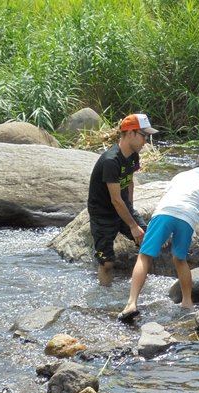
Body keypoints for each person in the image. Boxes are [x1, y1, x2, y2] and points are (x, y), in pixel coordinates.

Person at [117, 153, 199, 321]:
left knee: (145, 256)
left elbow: (164, 199)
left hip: (164, 213)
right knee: (179, 259)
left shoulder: (180, 176)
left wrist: (162, 233)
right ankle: (187, 303)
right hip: (187, 219)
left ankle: (131, 304)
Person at [87, 113, 157, 286]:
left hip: (123, 208)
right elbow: (115, 200)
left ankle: (140, 285)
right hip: (103, 214)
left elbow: (130, 181)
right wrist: (133, 226)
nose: (146, 141)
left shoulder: (133, 155)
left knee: (148, 241)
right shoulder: (111, 161)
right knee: (107, 263)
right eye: (143, 136)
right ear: (130, 133)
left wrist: (131, 208)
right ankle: (105, 296)